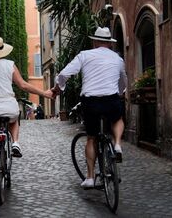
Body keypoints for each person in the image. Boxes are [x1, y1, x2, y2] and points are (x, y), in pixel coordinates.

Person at [52, 27, 127, 189]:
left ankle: (91, 177)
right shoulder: (118, 59)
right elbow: (123, 81)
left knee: (91, 138)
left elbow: (64, 74)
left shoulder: (85, 55)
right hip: (111, 100)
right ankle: (118, 144)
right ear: (109, 43)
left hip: (91, 102)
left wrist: (58, 89)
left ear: (94, 41)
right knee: (117, 119)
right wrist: (120, 93)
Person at [0, 36, 53, 181]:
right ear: (2, 50)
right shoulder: (9, 65)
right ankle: (16, 142)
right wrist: (44, 93)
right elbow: (23, 85)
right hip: (8, 105)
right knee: (14, 120)